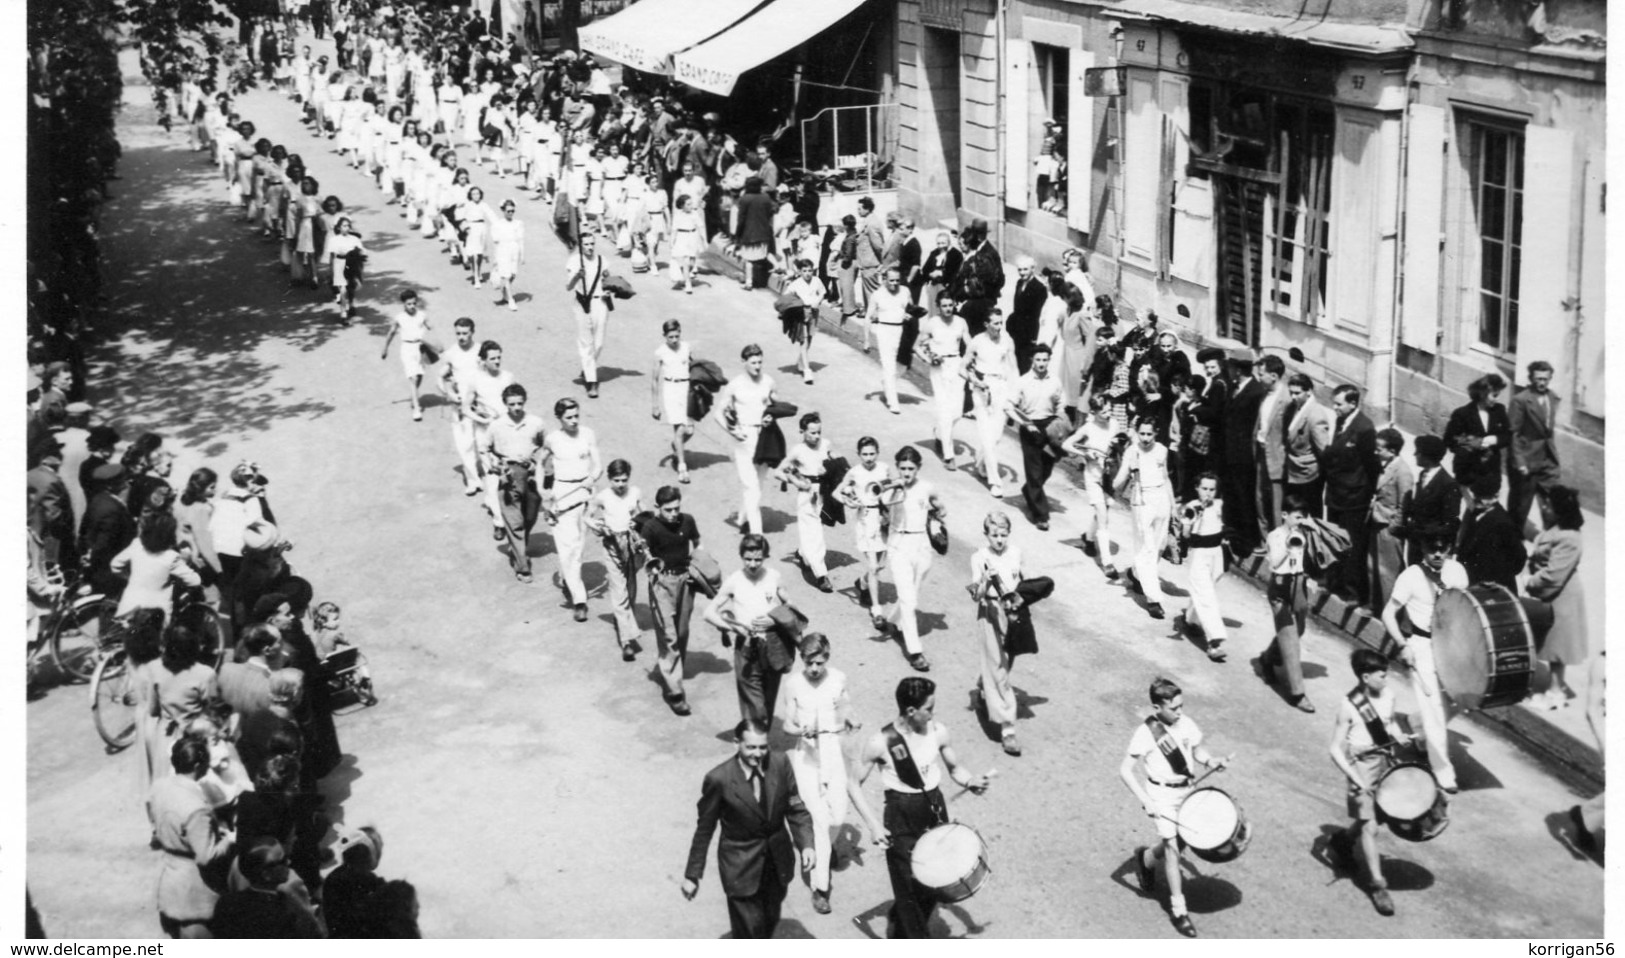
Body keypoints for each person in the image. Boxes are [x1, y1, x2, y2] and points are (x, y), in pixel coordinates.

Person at [847, 677, 990, 938]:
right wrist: (873, 824)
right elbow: (853, 784)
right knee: (908, 889)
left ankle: (902, 925)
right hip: (900, 814)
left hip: (934, 806)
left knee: (935, 880)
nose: (933, 714)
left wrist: (970, 780)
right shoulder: (881, 742)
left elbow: (956, 769)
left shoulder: (938, 732)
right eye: (929, 708)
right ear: (911, 711)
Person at [681, 719, 815, 938]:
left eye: (763, 747)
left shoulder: (780, 764)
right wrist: (692, 874)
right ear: (736, 744)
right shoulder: (719, 779)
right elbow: (704, 829)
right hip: (740, 868)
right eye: (751, 747)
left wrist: (807, 844)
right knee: (748, 933)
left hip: (777, 863)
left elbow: (796, 808)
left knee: (768, 922)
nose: (758, 753)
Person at [1120, 676, 1231, 937]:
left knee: (1182, 841)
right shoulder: (1146, 733)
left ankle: (1146, 859)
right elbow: (1124, 770)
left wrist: (1211, 761)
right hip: (1161, 796)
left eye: (1181, 706)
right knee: (1172, 850)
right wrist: (1146, 801)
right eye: (1174, 708)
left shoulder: (1186, 723)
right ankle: (1179, 910)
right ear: (1157, 708)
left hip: (1186, 791)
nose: (1180, 712)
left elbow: (1198, 751)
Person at [1327, 649, 1416, 917]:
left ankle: (1342, 841)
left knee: (1378, 815)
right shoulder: (1349, 705)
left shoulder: (1389, 696)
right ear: (1366, 677)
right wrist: (1354, 778)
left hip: (1384, 760)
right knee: (1371, 827)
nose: (1386, 679)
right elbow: (1334, 749)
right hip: (1360, 766)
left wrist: (1398, 736)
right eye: (1382, 675)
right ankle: (1378, 885)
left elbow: (1389, 726)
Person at [1381, 533, 1467, 792]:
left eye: (1443, 548)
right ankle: (1443, 771)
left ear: (1450, 548)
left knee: (1463, 698)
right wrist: (1402, 645)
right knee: (1434, 709)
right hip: (1421, 646)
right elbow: (1388, 614)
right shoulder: (1411, 576)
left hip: (1451, 644)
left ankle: (1418, 726)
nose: (1438, 554)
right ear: (1423, 548)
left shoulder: (1457, 572)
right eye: (1432, 548)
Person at [779, 633, 857, 914]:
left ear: (828, 657)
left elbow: (845, 706)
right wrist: (801, 729)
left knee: (837, 815)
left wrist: (848, 718)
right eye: (809, 663)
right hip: (807, 758)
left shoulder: (838, 678)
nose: (814, 669)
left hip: (833, 753)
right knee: (821, 821)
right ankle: (820, 887)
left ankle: (824, 847)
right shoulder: (793, 684)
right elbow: (787, 724)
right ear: (802, 659)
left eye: (819, 662)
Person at [704, 534, 794, 726]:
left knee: (768, 702)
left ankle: (760, 747)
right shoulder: (734, 580)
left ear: (765, 557)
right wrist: (733, 628)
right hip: (746, 649)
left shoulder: (774, 577)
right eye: (748, 559)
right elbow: (709, 613)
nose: (753, 564)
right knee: (754, 706)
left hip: (773, 647)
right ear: (741, 556)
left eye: (758, 559)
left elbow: (790, 606)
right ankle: (751, 741)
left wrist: (774, 620)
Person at [150, 737, 236, 938]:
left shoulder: (159, 786)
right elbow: (206, 855)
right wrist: (229, 839)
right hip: (193, 888)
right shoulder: (196, 808)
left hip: (168, 873)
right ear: (198, 765)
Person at [638, 485, 702, 716]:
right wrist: (647, 560)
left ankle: (671, 669)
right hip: (662, 584)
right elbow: (643, 554)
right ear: (658, 508)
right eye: (668, 510)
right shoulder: (650, 527)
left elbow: (697, 542)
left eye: (676, 508)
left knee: (682, 631)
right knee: (669, 635)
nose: (673, 514)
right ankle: (675, 691)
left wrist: (701, 565)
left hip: (686, 581)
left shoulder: (687, 521)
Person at [1525, 485, 1589, 711]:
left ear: (1560, 510)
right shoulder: (1557, 529)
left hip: (1562, 595)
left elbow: (1554, 575)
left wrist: (1529, 582)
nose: (1544, 507)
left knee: (1558, 646)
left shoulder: (1569, 538)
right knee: (1553, 643)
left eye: (1548, 505)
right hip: (1555, 595)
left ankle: (1556, 692)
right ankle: (1554, 689)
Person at [968, 510, 1027, 755]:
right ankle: (1008, 729)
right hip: (990, 611)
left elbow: (1024, 580)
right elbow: (976, 595)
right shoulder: (979, 557)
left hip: (1012, 613)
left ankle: (984, 682)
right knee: (1000, 670)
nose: (999, 540)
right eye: (994, 535)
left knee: (1007, 660)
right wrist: (984, 579)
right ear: (986, 535)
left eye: (1003, 535)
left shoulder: (1016, 553)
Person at [883, 446, 945, 672]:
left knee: (913, 592)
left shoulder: (926, 487)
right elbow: (881, 500)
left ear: (918, 468)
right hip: (898, 544)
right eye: (903, 468)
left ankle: (891, 620)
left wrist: (939, 512)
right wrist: (895, 487)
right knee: (909, 600)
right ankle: (915, 650)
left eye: (911, 468)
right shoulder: (890, 489)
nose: (907, 473)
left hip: (922, 544)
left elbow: (939, 504)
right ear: (897, 467)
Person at [540, 397, 603, 620]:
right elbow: (540, 464)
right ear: (559, 418)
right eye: (569, 418)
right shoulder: (553, 439)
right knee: (569, 548)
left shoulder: (588, 434)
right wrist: (543, 491)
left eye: (576, 416)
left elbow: (598, 465)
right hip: (562, 497)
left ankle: (569, 580)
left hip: (585, 496)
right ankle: (580, 600)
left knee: (578, 547)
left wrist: (592, 478)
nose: (574, 421)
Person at [477, 383, 547, 583]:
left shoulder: (536, 423)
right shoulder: (497, 425)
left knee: (530, 517)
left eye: (519, 403)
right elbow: (483, 448)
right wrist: (493, 465)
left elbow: (545, 446)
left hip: (531, 474)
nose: (516, 408)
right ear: (505, 404)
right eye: (512, 404)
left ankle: (517, 548)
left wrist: (538, 462)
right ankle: (522, 566)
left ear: (524, 402)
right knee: (514, 522)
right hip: (508, 475)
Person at [1322, 385, 1378, 603]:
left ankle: (1352, 592)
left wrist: (1366, 493)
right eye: (1334, 403)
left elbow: (1371, 466)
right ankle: (1333, 582)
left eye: (1339, 404)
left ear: (1353, 404)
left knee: (1352, 545)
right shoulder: (1341, 421)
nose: (1334, 407)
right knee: (1333, 539)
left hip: (1354, 497)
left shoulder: (1365, 429)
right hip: (1336, 493)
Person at [1262, 496, 1317, 713]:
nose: (1299, 521)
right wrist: (1288, 545)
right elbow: (1274, 563)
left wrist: (1312, 530)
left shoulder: (1304, 532)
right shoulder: (1276, 536)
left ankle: (1268, 658)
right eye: (1296, 517)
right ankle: (1298, 694)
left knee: (1298, 629)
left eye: (1302, 517)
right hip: (1280, 587)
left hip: (1299, 585)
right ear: (1284, 515)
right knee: (1291, 639)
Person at [1114, 418, 1173, 620]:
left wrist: (1172, 506)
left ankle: (1136, 573)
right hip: (1141, 500)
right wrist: (1112, 479)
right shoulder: (1131, 452)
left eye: (1149, 434)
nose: (1146, 438)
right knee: (1146, 549)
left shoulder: (1162, 450)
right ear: (1137, 433)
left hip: (1161, 499)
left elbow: (1166, 477)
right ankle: (1153, 600)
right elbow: (1119, 479)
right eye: (1142, 434)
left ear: (1155, 433)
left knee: (1158, 546)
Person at [586, 459, 645, 661]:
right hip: (611, 546)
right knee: (618, 591)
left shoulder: (635, 492)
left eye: (624, 480)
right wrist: (599, 527)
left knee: (630, 589)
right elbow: (587, 516)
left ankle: (624, 621)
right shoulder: (602, 497)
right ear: (609, 479)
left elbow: (644, 515)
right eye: (616, 480)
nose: (620, 484)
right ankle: (626, 641)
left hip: (632, 547)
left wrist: (638, 524)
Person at [716, 344, 778, 536]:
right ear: (744, 362)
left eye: (760, 362)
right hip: (744, 438)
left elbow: (777, 407)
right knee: (751, 487)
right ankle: (757, 534)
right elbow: (718, 413)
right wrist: (732, 431)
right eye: (753, 362)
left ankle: (743, 518)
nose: (757, 366)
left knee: (758, 484)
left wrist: (772, 416)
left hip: (765, 437)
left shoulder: (768, 381)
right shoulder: (735, 385)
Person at [210, 837, 326, 938]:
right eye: (283, 860)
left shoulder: (225, 902)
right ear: (266, 875)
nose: (289, 862)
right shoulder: (284, 910)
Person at [774, 413, 835, 593]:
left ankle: (802, 553)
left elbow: (836, 462)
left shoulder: (826, 444)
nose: (817, 436)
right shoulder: (798, 450)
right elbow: (779, 471)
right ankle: (821, 574)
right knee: (814, 532)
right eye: (812, 433)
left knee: (816, 528)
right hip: (806, 493)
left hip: (824, 491)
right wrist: (795, 481)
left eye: (819, 432)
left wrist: (831, 467)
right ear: (802, 431)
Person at [1061, 394, 1120, 575]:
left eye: (1110, 409)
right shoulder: (1088, 428)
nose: (1108, 413)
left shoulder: (1115, 424)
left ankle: (1087, 538)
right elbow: (1066, 444)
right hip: (1093, 477)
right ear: (1094, 412)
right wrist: (1085, 454)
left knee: (1103, 510)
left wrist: (1118, 445)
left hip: (1109, 476)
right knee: (1103, 516)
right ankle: (1107, 563)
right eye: (1104, 411)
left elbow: (1119, 443)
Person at [465, 341, 518, 536]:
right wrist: (483, 418)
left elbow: (516, 403)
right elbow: (466, 408)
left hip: (506, 432)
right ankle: (499, 522)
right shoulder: (475, 380)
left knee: (510, 473)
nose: (497, 361)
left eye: (498, 358)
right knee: (492, 475)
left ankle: (502, 505)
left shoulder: (508, 377)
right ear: (483, 361)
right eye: (492, 358)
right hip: (485, 433)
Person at [1008, 343, 1063, 530]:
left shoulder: (1055, 381)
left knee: (1047, 466)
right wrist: (1025, 423)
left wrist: (1060, 422)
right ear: (1032, 360)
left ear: (1049, 360)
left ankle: (1028, 490)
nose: (1041, 363)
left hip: (1049, 426)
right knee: (1034, 470)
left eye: (1045, 360)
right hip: (1029, 426)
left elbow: (1060, 404)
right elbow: (1008, 406)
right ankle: (1041, 515)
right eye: (1038, 359)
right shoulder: (1022, 381)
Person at [964, 307, 1018, 498]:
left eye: (1000, 322)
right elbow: (963, 367)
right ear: (986, 324)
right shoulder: (977, 341)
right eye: (995, 323)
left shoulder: (1007, 339)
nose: (999, 327)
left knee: (995, 437)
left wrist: (1015, 393)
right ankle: (995, 481)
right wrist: (975, 380)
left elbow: (1013, 368)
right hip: (981, 390)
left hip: (1001, 389)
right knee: (987, 436)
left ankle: (979, 463)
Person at [1177, 473, 1228, 661]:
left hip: (1216, 554)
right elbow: (1186, 535)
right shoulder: (1191, 507)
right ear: (1197, 488)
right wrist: (1194, 517)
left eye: (1212, 489)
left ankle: (1190, 619)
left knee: (1206, 590)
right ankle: (1215, 641)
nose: (1208, 493)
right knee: (1206, 595)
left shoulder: (1219, 505)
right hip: (1199, 554)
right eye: (1204, 488)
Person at [1507, 360, 1562, 535]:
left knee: (1553, 500)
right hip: (1527, 459)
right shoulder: (1520, 400)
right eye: (1538, 379)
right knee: (1521, 505)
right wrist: (1520, 462)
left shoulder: (1552, 397)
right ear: (1531, 378)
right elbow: (1513, 433)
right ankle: (1513, 540)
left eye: (1545, 379)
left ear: (1550, 378)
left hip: (1547, 459)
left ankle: (1551, 539)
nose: (1542, 383)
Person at [1220, 355, 1264, 554]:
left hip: (1244, 455)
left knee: (1244, 497)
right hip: (1230, 452)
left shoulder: (1256, 392)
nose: (1228, 371)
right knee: (1232, 495)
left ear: (1238, 370)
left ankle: (1248, 540)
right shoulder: (1235, 386)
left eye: (1230, 368)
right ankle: (1232, 535)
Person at [1366, 429, 1413, 611]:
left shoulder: (1402, 472)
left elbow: (1404, 504)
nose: (1376, 452)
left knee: (1389, 573)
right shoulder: (1386, 465)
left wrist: (1394, 526)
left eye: (1380, 448)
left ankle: (1392, 614)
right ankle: (1375, 606)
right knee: (1373, 567)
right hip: (1377, 522)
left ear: (1392, 451)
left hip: (1388, 527)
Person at [436, 317, 484, 496]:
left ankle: (488, 475)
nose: (461, 337)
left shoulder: (480, 350)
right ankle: (472, 480)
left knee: (482, 441)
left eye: (465, 333)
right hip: (460, 404)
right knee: (464, 444)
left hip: (480, 402)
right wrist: (449, 393)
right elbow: (440, 376)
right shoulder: (452, 353)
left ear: (472, 332)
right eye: (458, 333)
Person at [1455, 472, 1525, 593]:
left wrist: (1498, 579)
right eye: (1477, 496)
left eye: (1484, 497)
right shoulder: (1476, 513)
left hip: (1495, 588)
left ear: (1496, 496)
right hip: (1474, 581)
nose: (1479, 500)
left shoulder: (1503, 523)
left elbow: (1519, 557)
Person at [563, 232, 613, 398]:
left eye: (592, 244)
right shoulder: (574, 261)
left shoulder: (602, 261)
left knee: (598, 344)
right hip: (583, 304)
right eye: (586, 244)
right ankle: (592, 381)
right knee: (586, 343)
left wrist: (608, 290)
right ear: (581, 245)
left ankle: (587, 367)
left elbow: (608, 280)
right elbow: (568, 287)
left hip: (601, 304)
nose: (590, 247)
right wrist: (578, 275)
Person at [1443, 373, 1511, 490]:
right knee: (1469, 505)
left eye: (1498, 395)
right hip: (1468, 469)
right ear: (1482, 393)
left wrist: (1495, 440)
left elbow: (1508, 435)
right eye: (1494, 395)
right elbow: (1449, 440)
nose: (1497, 399)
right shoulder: (1462, 414)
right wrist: (1472, 443)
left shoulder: (1499, 410)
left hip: (1491, 470)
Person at [79, 462, 137, 598]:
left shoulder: (98, 500)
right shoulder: (112, 509)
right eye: (122, 481)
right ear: (111, 486)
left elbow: (84, 531)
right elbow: (104, 544)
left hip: (100, 570)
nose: (127, 483)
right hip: (110, 572)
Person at [1401, 435, 1462, 564]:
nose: (1414, 454)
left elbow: (1449, 522)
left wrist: (1423, 533)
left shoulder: (1448, 484)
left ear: (1427, 456)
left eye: (1418, 452)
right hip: (1417, 544)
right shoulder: (1423, 475)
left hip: (1433, 547)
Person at [648, 319, 695, 482]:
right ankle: (682, 469)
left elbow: (693, 368)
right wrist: (655, 405)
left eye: (677, 336)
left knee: (690, 430)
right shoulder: (660, 352)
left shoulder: (687, 347)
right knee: (680, 429)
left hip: (686, 389)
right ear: (664, 336)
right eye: (671, 337)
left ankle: (677, 446)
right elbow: (654, 379)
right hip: (671, 389)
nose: (674, 340)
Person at [1252, 355, 1290, 549]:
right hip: (1260, 451)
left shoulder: (1287, 399)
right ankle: (1264, 537)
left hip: (1276, 458)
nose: (1259, 378)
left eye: (1262, 374)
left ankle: (1278, 543)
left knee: (1277, 503)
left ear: (1274, 376)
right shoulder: (1264, 393)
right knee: (1259, 497)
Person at [1282, 373, 1333, 514]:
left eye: (1297, 393)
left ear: (1309, 391)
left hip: (1308, 474)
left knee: (1310, 511)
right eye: (1291, 392)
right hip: (1292, 469)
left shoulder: (1316, 415)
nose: (1293, 396)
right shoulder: (1293, 407)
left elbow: (1323, 449)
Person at [865, 267, 913, 415]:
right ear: (885, 280)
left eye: (897, 280)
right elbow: (868, 317)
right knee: (889, 366)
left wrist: (908, 315)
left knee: (904, 365)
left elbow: (911, 308)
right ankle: (893, 401)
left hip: (902, 331)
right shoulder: (877, 295)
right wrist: (866, 340)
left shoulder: (905, 291)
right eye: (891, 280)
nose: (894, 283)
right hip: (885, 331)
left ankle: (887, 382)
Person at [379, 289, 432, 421]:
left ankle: (413, 397)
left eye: (414, 303)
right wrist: (385, 348)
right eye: (409, 304)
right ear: (404, 304)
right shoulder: (400, 318)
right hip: (407, 348)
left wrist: (435, 344)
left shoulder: (422, 315)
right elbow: (391, 333)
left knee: (420, 375)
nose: (412, 306)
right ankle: (416, 407)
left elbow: (431, 329)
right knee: (413, 377)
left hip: (420, 348)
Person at [1006, 256, 1047, 374]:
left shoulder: (1039, 288)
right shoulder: (1019, 283)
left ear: (1032, 269)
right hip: (1016, 329)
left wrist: (1034, 337)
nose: (1022, 273)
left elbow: (1037, 314)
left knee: (1024, 363)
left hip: (1028, 333)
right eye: (1020, 270)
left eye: (1025, 269)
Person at [489, 199, 525, 310]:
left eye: (512, 211)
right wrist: (495, 257)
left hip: (514, 249)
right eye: (508, 211)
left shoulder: (518, 223)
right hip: (502, 250)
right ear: (503, 211)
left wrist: (522, 255)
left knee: (513, 274)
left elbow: (520, 240)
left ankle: (504, 292)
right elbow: (496, 242)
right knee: (506, 275)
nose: (510, 213)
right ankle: (511, 300)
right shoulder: (497, 224)